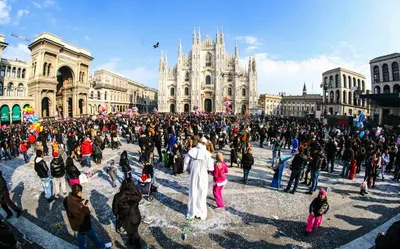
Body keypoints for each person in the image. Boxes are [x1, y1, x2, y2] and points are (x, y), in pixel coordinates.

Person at [64, 184, 112, 249]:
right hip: (84, 225)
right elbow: (85, 214)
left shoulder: (66, 199)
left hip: (74, 225)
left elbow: (69, 208)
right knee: (94, 236)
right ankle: (102, 246)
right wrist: (85, 208)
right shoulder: (78, 205)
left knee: (81, 238)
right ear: (79, 192)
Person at [184, 137, 214, 221]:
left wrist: (189, 170)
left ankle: (192, 212)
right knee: (202, 194)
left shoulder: (192, 151)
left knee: (193, 193)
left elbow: (185, 164)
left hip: (194, 175)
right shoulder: (207, 154)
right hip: (203, 176)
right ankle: (201, 213)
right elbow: (211, 168)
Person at [112, 179, 142, 248]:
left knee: (129, 230)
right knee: (135, 231)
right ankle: (138, 245)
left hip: (124, 218)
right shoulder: (137, 194)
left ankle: (131, 241)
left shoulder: (117, 196)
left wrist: (117, 215)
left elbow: (115, 210)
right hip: (136, 217)